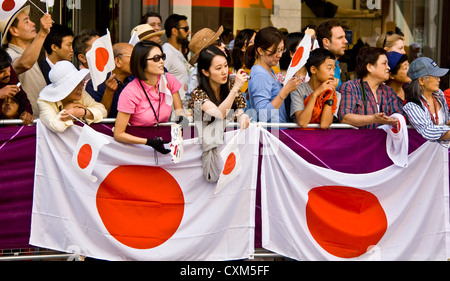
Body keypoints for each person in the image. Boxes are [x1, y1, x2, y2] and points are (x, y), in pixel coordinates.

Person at [189, 45, 250, 182]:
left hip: (232, 152)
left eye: (225, 66)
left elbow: (239, 111)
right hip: (202, 154)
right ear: (205, 72)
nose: (224, 72)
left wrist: (243, 117)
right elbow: (218, 114)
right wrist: (235, 89)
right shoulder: (198, 94)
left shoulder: (231, 85)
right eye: (218, 68)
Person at [114, 41, 187, 154]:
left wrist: (182, 121)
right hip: (136, 149)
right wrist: (148, 142)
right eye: (156, 58)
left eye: (162, 57)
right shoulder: (130, 92)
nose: (162, 61)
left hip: (164, 143)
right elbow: (118, 134)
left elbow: (179, 111)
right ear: (142, 62)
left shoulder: (168, 79)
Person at [1, 5, 53, 118]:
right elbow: (24, 63)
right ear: (13, 30)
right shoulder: (9, 55)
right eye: (26, 21)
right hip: (26, 125)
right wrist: (42, 33)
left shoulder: (31, 52)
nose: (33, 23)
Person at [337, 47, 404, 129]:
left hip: (383, 141)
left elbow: (399, 114)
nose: (388, 68)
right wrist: (373, 119)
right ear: (369, 67)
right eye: (384, 63)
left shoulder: (388, 91)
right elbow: (345, 117)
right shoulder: (350, 87)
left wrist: (393, 119)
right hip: (357, 140)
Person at [245, 26, 301, 123]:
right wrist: (284, 92)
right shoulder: (260, 74)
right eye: (275, 51)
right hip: (272, 133)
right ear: (260, 51)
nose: (279, 55)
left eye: (281, 50)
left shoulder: (269, 71)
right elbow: (262, 115)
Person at [38, 61, 107, 133]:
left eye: (81, 82)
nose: (81, 87)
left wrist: (80, 112)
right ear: (63, 88)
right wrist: (66, 111)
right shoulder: (44, 102)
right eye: (75, 84)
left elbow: (103, 111)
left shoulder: (81, 93)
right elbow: (57, 127)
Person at [403, 57, 450, 144]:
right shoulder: (411, 106)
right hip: (423, 155)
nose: (439, 79)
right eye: (435, 76)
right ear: (421, 80)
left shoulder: (439, 95)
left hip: (442, 153)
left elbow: (444, 123)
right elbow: (428, 131)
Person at [291, 48, 341, 129]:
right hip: (302, 138)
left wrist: (330, 93)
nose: (332, 73)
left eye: (334, 69)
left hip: (324, 139)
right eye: (329, 68)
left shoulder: (336, 94)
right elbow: (302, 122)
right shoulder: (298, 90)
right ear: (313, 70)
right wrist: (315, 94)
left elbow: (325, 124)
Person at [85, 43, 134, 118]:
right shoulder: (96, 84)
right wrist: (109, 92)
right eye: (133, 57)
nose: (137, 61)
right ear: (118, 61)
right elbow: (97, 116)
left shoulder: (134, 82)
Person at [187, 26, 226, 97]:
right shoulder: (196, 75)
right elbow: (194, 103)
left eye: (225, 66)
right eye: (218, 42)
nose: (223, 45)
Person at [0, 48, 33, 125]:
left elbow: (21, 97)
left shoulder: (10, 74)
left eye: (8, 68)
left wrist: (26, 112)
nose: (8, 74)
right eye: (1, 72)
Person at [162, 14, 191, 100]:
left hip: (183, 106)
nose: (188, 32)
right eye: (185, 29)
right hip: (173, 108)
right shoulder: (167, 52)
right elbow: (160, 81)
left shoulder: (177, 52)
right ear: (174, 31)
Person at [316, 19, 348, 87]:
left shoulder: (337, 65)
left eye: (344, 37)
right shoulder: (319, 68)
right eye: (340, 38)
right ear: (326, 42)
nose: (345, 41)